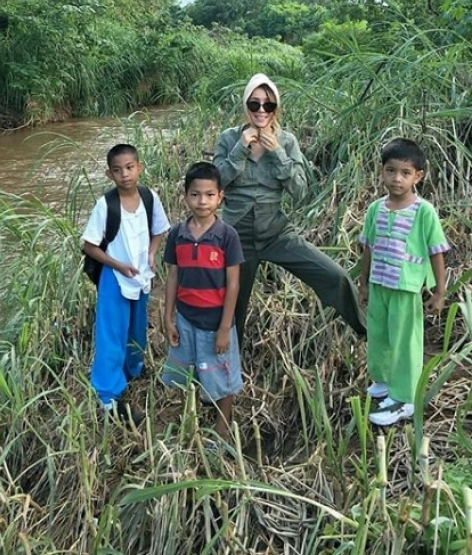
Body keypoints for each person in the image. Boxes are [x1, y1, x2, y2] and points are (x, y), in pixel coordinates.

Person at [213, 73, 366, 347]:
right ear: (245, 105)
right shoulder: (228, 139)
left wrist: (277, 154)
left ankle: (367, 333)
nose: (261, 111)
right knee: (232, 308)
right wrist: (239, 149)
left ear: (276, 109)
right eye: (255, 104)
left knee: (336, 276)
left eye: (268, 105)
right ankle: (229, 371)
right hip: (236, 238)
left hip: (276, 233)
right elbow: (216, 184)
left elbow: (300, 192)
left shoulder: (287, 141)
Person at [359, 138, 449, 426]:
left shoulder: (424, 211)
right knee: (379, 335)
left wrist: (439, 291)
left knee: (404, 341)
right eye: (391, 170)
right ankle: (384, 381)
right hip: (378, 285)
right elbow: (368, 248)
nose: (397, 178)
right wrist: (363, 284)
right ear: (382, 171)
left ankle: (404, 398)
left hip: (405, 288)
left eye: (405, 173)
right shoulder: (376, 209)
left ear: (418, 176)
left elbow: (437, 252)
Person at [82, 143, 170, 423]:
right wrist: (118, 265)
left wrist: (152, 253)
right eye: (118, 170)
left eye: (130, 168)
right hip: (114, 278)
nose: (125, 175)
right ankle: (107, 394)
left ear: (139, 167)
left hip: (141, 275)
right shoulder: (106, 205)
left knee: (136, 328)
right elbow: (89, 246)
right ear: (109, 174)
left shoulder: (149, 197)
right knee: (111, 333)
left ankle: (132, 370)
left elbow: (159, 230)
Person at [162, 162, 244, 443]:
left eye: (209, 195)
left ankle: (222, 429)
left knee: (222, 373)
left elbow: (233, 283)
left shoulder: (226, 236)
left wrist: (224, 328)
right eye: (195, 195)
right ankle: (192, 423)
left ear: (220, 196)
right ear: (185, 196)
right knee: (187, 369)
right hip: (185, 318)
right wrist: (168, 317)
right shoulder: (177, 234)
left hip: (214, 321)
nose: (202, 201)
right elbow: (173, 275)